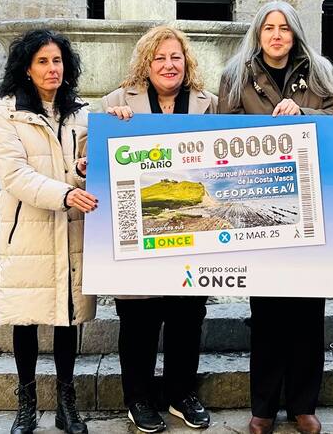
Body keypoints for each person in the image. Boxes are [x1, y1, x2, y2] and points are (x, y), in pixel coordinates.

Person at [218, 0, 333, 434]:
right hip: (257, 212)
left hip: (309, 213)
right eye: (268, 28)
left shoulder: (319, 74)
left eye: (284, 29)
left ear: (295, 34)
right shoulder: (235, 77)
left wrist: (305, 114)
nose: (276, 36)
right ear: (258, 34)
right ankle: (263, 407)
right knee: (268, 313)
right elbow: (221, 133)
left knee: (307, 314)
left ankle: (303, 405)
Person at [100, 26, 218, 432]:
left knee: (188, 317)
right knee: (139, 320)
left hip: (192, 232)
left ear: (187, 63)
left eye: (176, 58)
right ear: (146, 64)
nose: (169, 65)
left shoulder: (210, 104)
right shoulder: (118, 102)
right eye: (160, 58)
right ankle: (139, 398)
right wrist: (108, 128)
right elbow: (88, 155)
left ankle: (181, 394)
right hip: (141, 232)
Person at [0, 29, 98, 434]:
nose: (52, 69)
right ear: (27, 68)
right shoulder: (9, 113)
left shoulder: (81, 112)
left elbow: (87, 164)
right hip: (29, 231)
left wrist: (86, 172)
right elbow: (13, 173)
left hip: (71, 231)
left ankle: (66, 404)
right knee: (26, 319)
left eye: (57, 61)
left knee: (69, 318)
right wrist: (65, 193)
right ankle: (27, 404)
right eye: (43, 62)